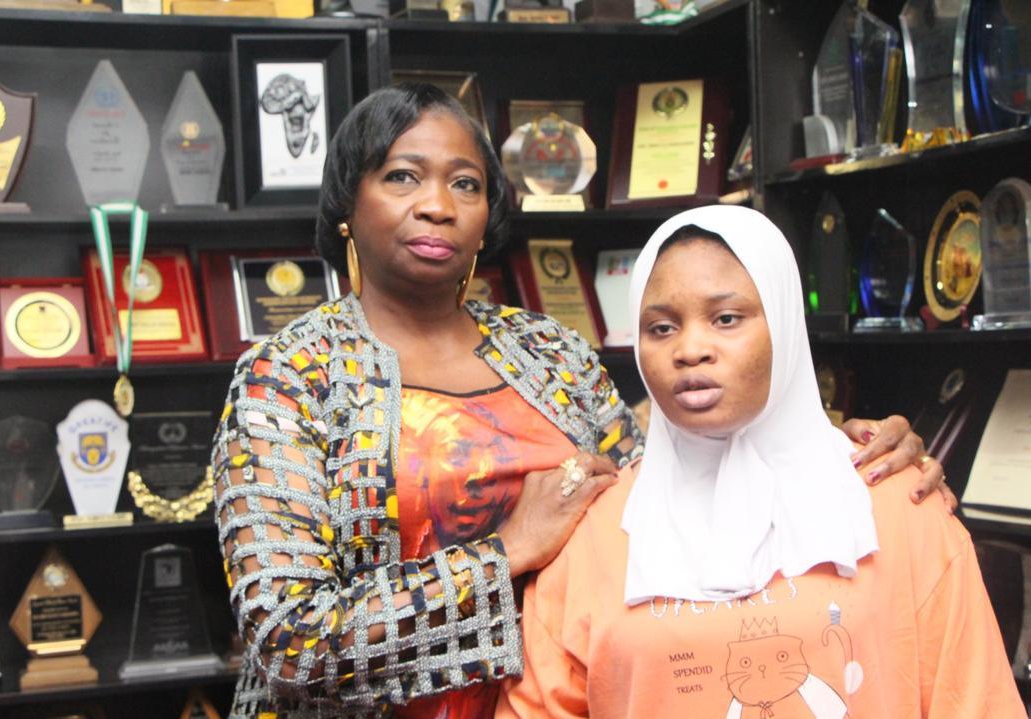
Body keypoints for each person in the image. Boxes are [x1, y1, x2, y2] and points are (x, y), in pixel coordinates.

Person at [210, 84, 947, 719]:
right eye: (403, 177)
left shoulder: (548, 351)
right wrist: (506, 552)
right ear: (347, 200)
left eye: (465, 184)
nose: (437, 206)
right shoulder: (288, 376)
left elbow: (666, 483)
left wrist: (829, 446)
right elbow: (287, 642)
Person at [496, 206, 1022, 719]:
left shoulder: (900, 505)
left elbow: (974, 700)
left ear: (786, 325)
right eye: (661, 328)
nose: (690, 349)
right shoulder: (593, 532)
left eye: (726, 319)